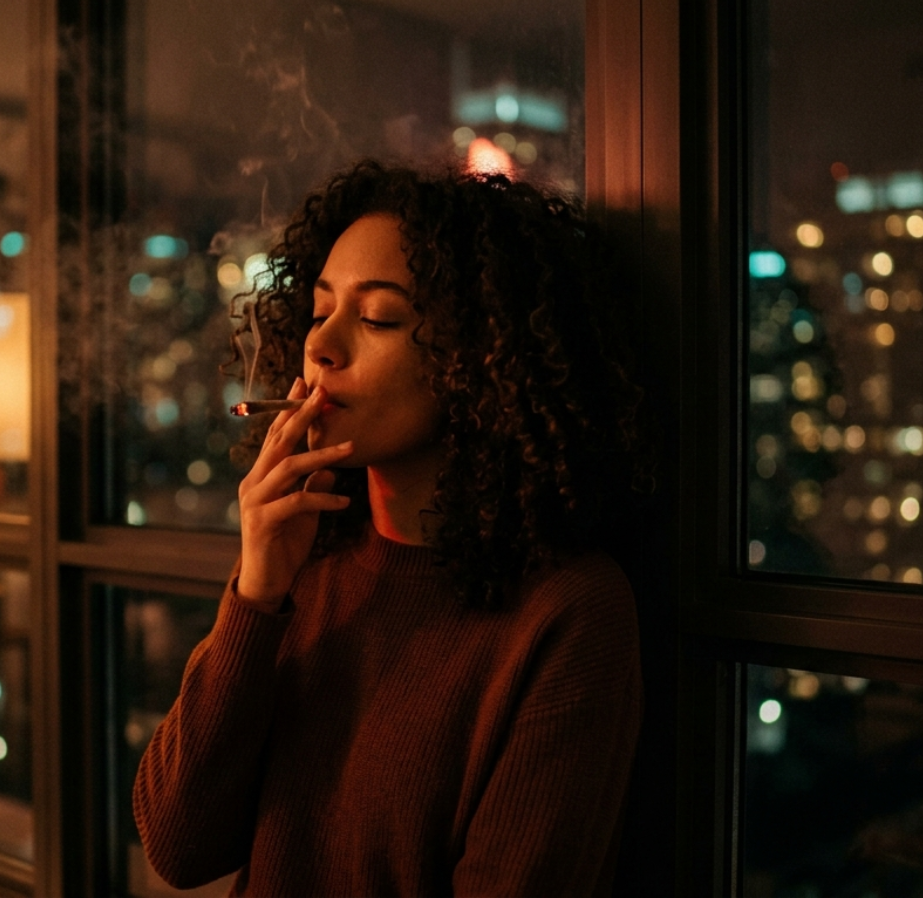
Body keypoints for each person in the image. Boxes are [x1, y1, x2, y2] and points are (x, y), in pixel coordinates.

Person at [133, 159, 646, 896]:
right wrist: (255, 596)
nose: (321, 347)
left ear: (482, 359)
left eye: (377, 318)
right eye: (318, 312)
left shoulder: (566, 613)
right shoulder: (306, 556)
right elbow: (180, 846)